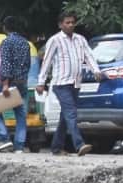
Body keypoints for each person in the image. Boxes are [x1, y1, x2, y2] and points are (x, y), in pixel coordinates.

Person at [36, 11, 102, 156]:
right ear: (61, 25)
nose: (71, 25)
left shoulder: (80, 39)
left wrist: (96, 70)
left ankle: (56, 147)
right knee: (71, 113)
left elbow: (88, 56)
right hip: (61, 83)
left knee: (65, 117)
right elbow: (46, 62)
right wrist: (41, 82)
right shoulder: (55, 40)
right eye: (67, 22)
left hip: (75, 83)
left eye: (72, 22)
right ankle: (79, 144)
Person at [0, 16, 32, 153]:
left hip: (10, 82)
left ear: (4, 27)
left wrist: (5, 84)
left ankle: (4, 139)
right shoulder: (25, 43)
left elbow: (6, 64)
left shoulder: (6, 42)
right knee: (20, 113)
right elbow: (28, 64)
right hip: (22, 82)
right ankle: (19, 146)